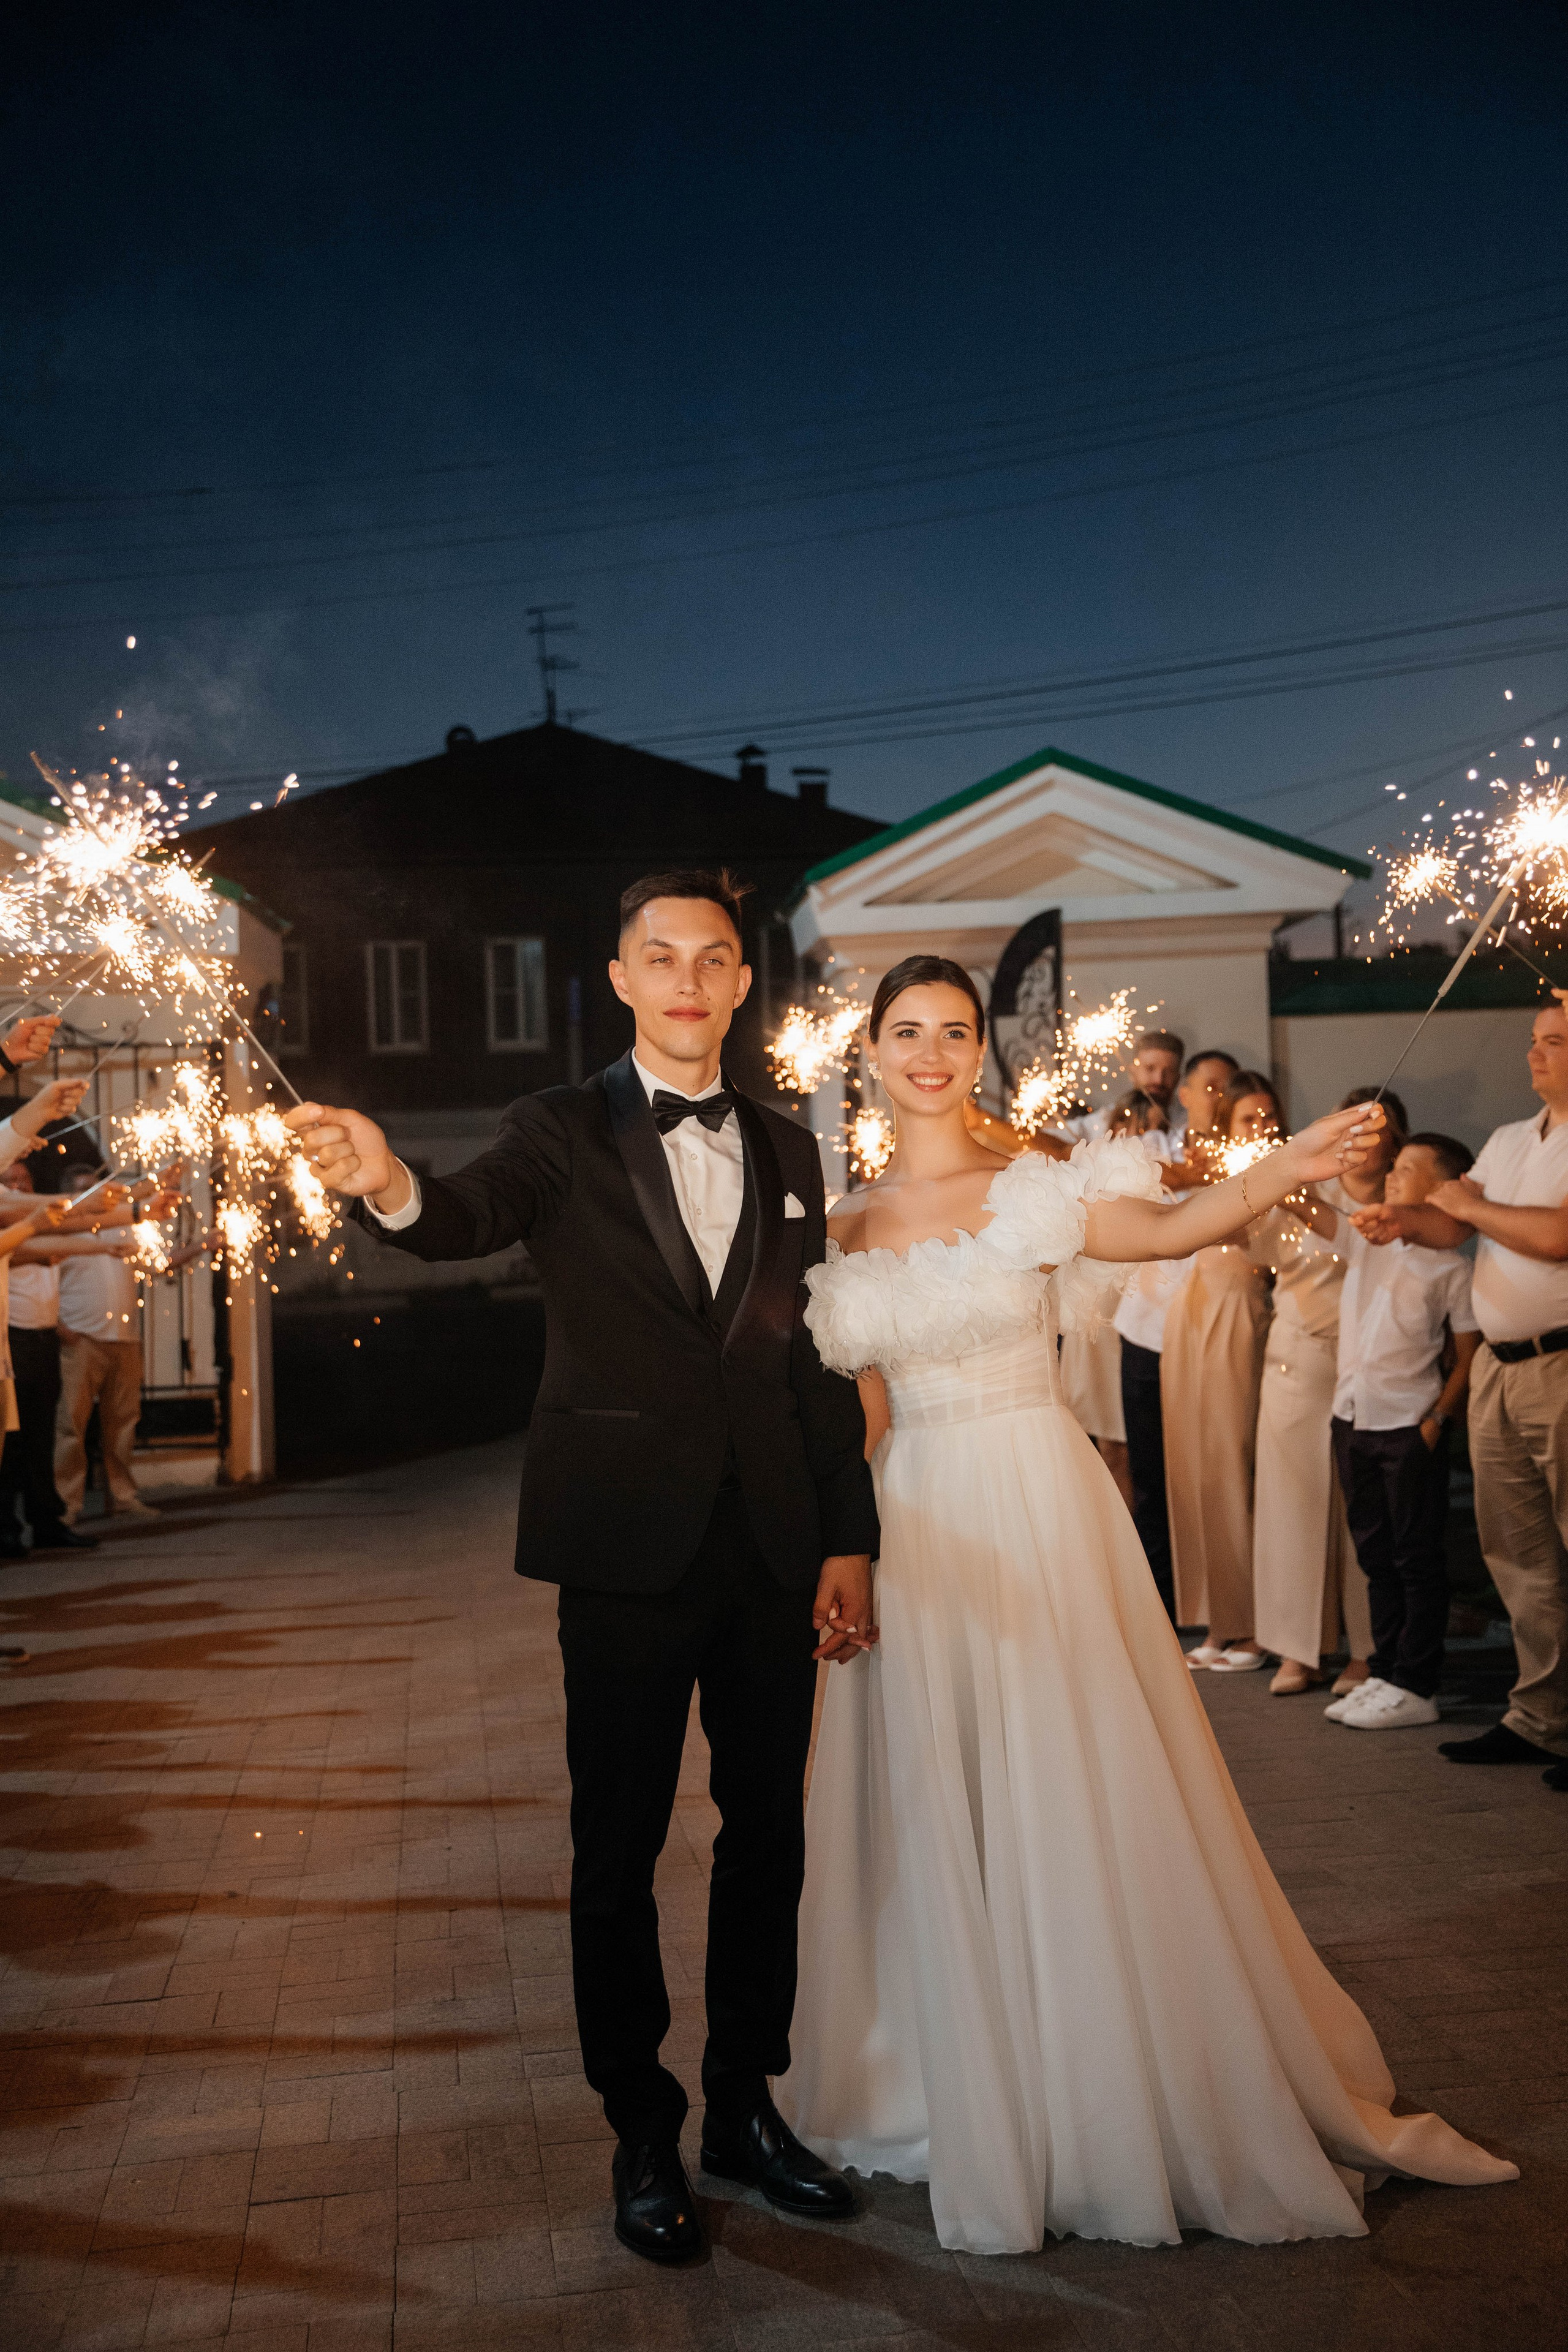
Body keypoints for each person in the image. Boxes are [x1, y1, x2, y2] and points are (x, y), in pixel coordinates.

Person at [777, 956, 1515, 2253]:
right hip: (913, 1527)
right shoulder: (840, 1225)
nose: (934, 1051)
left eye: (956, 1030)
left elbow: (1175, 1230)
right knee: (932, 1794)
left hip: (1037, 1501)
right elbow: (864, 1408)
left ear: (978, 1051)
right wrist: (847, 1552)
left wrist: (1284, 1163)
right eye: (908, 1032)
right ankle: (948, 2075)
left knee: (1064, 1779)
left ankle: (1096, 2085)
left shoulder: (1034, 1189)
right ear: (873, 1056)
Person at [283, 869, 880, 2265]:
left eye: (712, 957)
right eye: (656, 955)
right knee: (612, 1851)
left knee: (765, 1837)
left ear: (743, 983)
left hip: (772, 1544)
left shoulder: (794, 1150)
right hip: (620, 1542)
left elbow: (811, 1356)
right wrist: (383, 1179)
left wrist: (845, 1531)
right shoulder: (555, 1128)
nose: (685, 977)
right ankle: (641, 2128)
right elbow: (460, 1214)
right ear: (616, 977)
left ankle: (744, 2106)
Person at [1354, 996, 1568, 1788]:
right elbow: (1452, 1223)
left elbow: (1554, 1236)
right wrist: (1401, 1221)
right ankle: (1541, 1718)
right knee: (1519, 1554)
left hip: (1559, 1366)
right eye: (1534, 1040)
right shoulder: (1513, 1140)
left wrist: (1470, 1206)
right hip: (1502, 1375)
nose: (1534, 1053)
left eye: (1554, 1042)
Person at [1300, 1133, 1480, 1730]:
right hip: (1353, 1417)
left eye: (1408, 1169)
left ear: (1441, 1188)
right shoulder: (1367, 1237)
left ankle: (1416, 1682)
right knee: (1374, 1554)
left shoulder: (1451, 1267)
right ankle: (1382, 1670)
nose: (1393, 1176)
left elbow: (1467, 1355)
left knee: (1415, 1557)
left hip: (1408, 1425)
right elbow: (1311, 1210)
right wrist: (1276, 1178)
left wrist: (1436, 1422)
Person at [1247, 1087, 1405, 1698]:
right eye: (1354, 1128)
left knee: (1362, 1508)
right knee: (1293, 1499)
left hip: (1372, 1359)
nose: (1363, 1141)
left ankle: (1367, 1649)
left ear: (1394, 1140)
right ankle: (1295, 1646)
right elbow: (1252, 1251)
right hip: (1298, 1353)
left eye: (1377, 1129)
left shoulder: (1404, 1201)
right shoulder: (1307, 1195)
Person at [1112, 1047, 1238, 1617]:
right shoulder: (1153, 1148)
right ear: (1184, 1094)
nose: (1218, 1095)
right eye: (1208, 1085)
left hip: (1212, 1332)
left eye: (1227, 1087)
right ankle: (1160, 1597)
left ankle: (1216, 1599)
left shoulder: (1247, 1157)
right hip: (1145, 1330)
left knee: (1209, 1467)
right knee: (1151, 1471)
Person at [1163, 1064, 1272, 1667]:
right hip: (1191, 1306)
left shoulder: (1277, 1172)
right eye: (1246, 1118)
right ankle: (1213, 1619)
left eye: (1265, 1116)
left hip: (1237, 1306)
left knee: (1234, 1461)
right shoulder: (1207, 1165)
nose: (1259, 1126)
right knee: (1193, 1463)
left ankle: (1252, 1620)